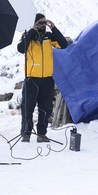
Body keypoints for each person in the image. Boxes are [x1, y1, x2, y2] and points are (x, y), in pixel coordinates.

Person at [17, 13, 68, 143]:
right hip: (32, 78)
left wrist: (54, 28)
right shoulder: (27, 36)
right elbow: (21, 49)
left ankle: (42, 134)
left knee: (45, 108)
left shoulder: (49, 37)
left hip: (47, 78)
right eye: (40, 23)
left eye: (44, 23)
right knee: (28, 107)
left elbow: (63, 44)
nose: (42, 25)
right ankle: (26, 133)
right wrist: (32, 31)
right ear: (34, 23)